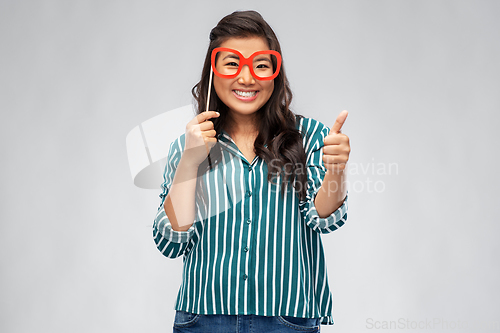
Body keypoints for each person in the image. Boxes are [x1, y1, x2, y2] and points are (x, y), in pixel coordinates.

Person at [153, 10, 350, 333]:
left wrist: (337, 171)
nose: (246, 78)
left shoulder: (311, 136)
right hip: (203, 318)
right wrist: (189, 162)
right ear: (213, 71)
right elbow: (171, 242)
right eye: (232, 63)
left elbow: (323, 219)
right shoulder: (189, 144)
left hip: (286, 317)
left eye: (260, 64)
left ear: (275, 72)